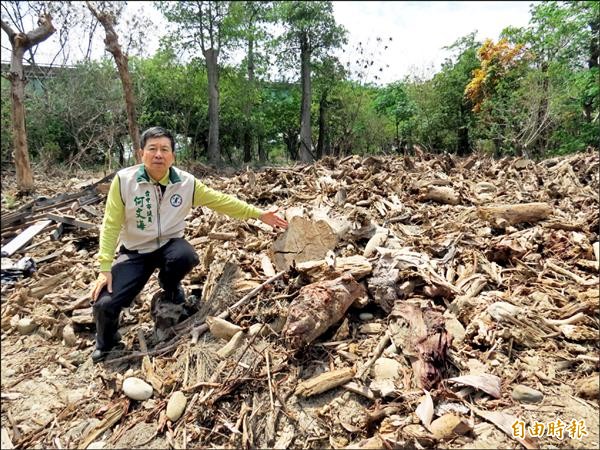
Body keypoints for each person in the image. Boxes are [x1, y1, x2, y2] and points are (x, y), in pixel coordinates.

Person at [90, 126, 288, 362]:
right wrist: (104, 268)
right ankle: (107, 342)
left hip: (169, 246)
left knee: (186, 256)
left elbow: (220, 201)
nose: (158, 155)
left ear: (173, 155)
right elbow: (111, 224)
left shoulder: (186, 183)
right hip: (135, 252)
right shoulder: (124, 181)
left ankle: (170, 285)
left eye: (165, 149)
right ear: (140, 153)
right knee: (104, 302)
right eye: (152, 149)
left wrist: (258, 214)